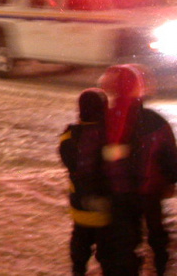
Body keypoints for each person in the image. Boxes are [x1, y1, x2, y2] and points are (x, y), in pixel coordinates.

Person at [98, 64, 177, 276]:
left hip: (119, 191)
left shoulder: (106, 117)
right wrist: (170, 179)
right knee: (156, 232)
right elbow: (169, 154)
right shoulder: (154, 120)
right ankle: (160, 267)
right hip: (149, 188)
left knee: (126, 238)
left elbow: (100, 154)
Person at [58, 88, 111, 276]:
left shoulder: (70, 137)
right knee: (107, 255)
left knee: (80, 249)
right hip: (107, 210)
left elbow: (70, 163)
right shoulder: (111, 136)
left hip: (80, 207)